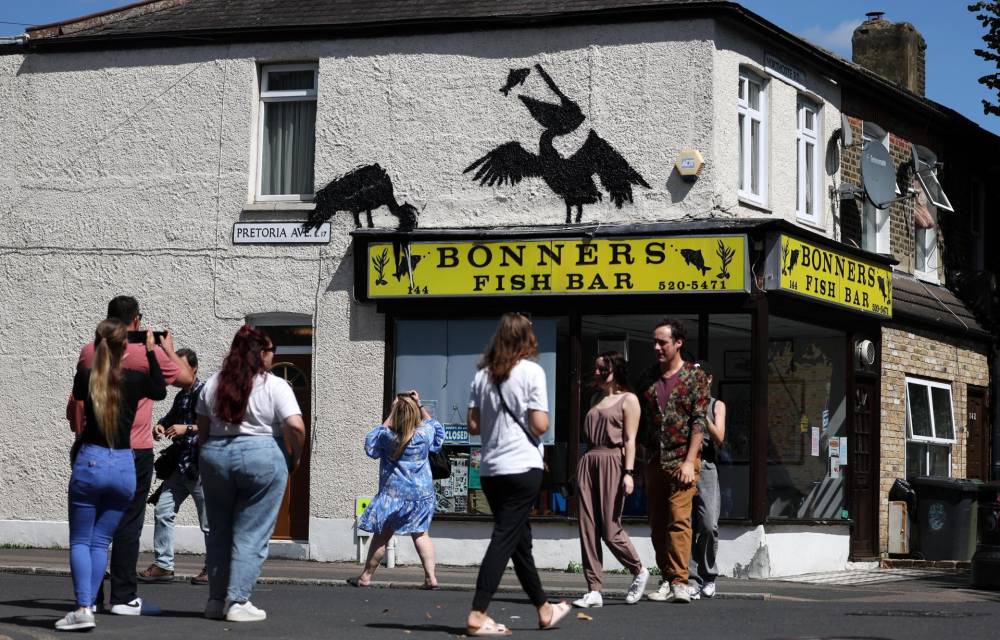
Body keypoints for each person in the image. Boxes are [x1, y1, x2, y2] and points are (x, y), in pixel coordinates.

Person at [70, 295, 194, 616]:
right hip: (132, 451)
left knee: (90, 533)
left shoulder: (88, 353)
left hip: (92, 448)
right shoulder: (140, 357)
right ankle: (123, 596)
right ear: (136, 321)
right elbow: (185, 379)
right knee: (128, 526)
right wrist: (163, 347)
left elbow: (77, 398)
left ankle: (89, 599)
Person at [465, 312, 571, 636]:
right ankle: (478, 612)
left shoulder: (482, 376)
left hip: (491, 469)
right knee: (504, 538)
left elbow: (472, 426)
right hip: (522, 466)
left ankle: (544, 609)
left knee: (518, 541)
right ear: (526, 339)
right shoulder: (531, 372)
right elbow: (541, 425)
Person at [57, 321, 167, 631]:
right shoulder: (134, 379)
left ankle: (84, 607)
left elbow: (78, 394)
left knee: (82, 540)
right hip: (124, 464)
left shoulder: (86, 376)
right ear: (124, 347)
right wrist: (149, 349)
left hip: (92, 460)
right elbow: (159, 388)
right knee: (100, 541)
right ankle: (88, 607)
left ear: (97, 344)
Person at [196, 325, 306, 623]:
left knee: (219, 531)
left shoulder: (212, 383)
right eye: (270, 351)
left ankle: (216, 601)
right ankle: (238, 600)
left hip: (216, 453)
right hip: (261, 454)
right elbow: (295, 426)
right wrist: (294, 456)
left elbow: (202, 431)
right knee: (252, 532)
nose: (273, 356)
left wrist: (210, 459)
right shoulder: (274, 385)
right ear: (259, 353)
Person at [640, 318, 709, 604]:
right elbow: (641, 417)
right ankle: (668, 578)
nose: (657, 347)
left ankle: (681, 581)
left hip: (684, 459)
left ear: (678, 343)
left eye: (662, 342)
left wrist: (689, 461)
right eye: (654, 342)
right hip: (655, 459)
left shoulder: (695, 377)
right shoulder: (648, 378)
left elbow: (698, 421)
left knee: (679, 520)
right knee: (657, 524)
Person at [573, 351, 649, 609]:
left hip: (613, 462)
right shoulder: (595, 398)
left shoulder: (629, 400)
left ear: (613, 370)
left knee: (610, 527)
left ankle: (638, 570)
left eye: (600, 368)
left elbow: (630, 440)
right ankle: (594, 589)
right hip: (589, 459)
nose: (595, 372)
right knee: (587, 527)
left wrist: (628, 474)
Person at [351, 390, 445, 589]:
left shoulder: (387, 437)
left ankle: (366, 577)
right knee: (421, 534)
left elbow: (371, 444)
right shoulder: (423, 435)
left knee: (383, 536)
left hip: (393, 495)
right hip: (420, 495)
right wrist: (418, 404)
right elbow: (435, 428)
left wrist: (393, 410)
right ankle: (431, 578)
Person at [138, 348, 210, 585]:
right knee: (163, 510)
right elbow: (168, 419)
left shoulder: (206, 392)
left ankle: (214, 567)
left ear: (194, 368)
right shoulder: (181, 396)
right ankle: (163, 564)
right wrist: (160, 427)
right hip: (181, 466)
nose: (174, 374)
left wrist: (186, 428)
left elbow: (217, 423)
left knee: (209, 522)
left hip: (200, 466)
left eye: (179, 368)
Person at [688, 360, 726, 600]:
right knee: (686, 525)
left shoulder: (717, 405)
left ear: (709, 379)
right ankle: (691, 578)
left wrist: (703, 416)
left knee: (709, 524)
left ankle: (709, 575)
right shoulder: (682, 404)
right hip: (685, 464)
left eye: (701, 376)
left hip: (707, 466)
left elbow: (720, 437)